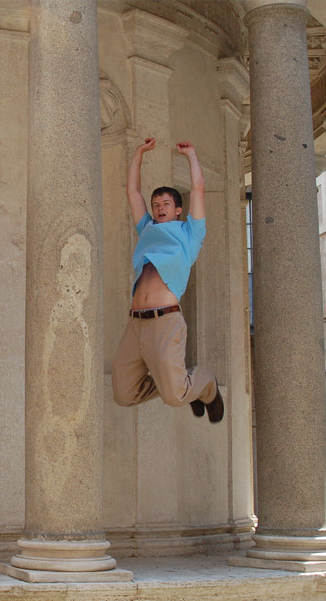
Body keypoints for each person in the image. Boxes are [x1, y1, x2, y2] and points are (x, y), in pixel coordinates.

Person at [111, 137, 224, 422]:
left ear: (178, 210)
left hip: (165, 321)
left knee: (174, 396)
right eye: (156, 204)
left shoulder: (189, 234)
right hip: (135, 323)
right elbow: (132, 191)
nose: (160, 208)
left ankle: (205, 385)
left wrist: (192, 155)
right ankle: (182, 386)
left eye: (166, 203)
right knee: (123, 393)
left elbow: (198, 188)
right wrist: (138, 153)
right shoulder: (147, 228)